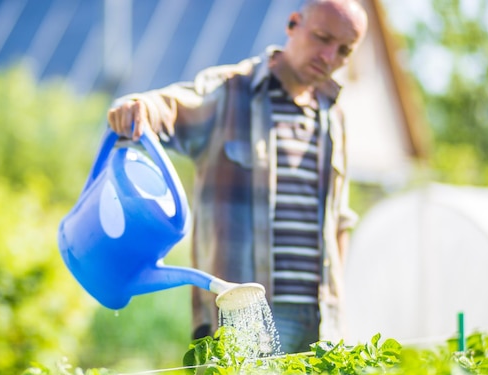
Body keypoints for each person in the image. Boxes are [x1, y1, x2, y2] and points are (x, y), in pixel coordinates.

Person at [107, 0, 368, 353]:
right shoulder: (230, 91)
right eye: (322, 37)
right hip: (245, 315)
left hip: (321, 320)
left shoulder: (333, 117)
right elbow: (171, 105)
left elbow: (340, 222)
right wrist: (140, 108)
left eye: (344, 51)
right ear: (293, 24)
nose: (328, 56)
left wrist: (337, 305)